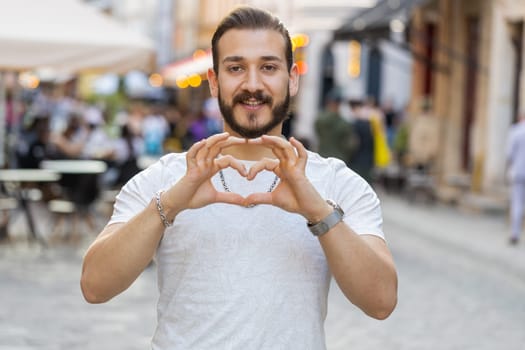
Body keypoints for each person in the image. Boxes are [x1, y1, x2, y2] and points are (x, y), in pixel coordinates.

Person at [80, 6, 398, 349]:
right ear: (214, 81)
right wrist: (170, 204)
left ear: (292, 79)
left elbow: (380, 301)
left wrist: (319, 213)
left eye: (268, 67)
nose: (252, 84)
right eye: (235, 68)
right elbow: (95, 286)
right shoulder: (164, 179)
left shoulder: (338, 183)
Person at [314, 88, 357, 166]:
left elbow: (317, 133)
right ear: (339, 104)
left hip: (322, 156)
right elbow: (351, 145)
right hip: (338, 160)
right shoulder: (344, 123)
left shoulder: (319, 119)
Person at [506, 111, 525, 245]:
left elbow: (509, 154)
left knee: (517, 203)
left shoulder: (516, 131)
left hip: (519, 172)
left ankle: (515, 233)